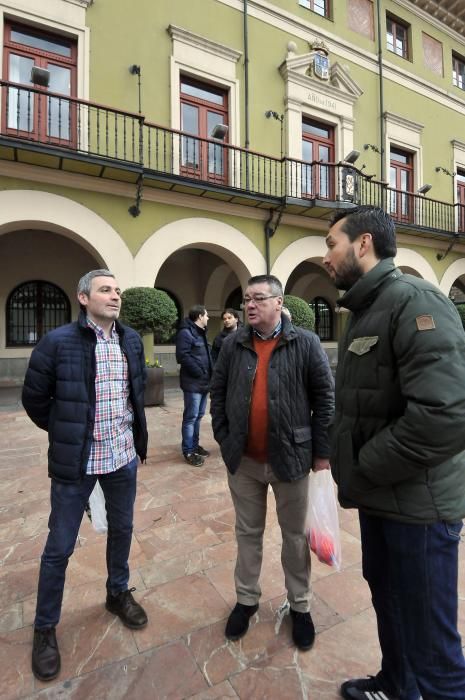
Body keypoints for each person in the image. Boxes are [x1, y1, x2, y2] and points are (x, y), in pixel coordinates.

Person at [323, 205, 465, 700]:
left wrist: (362, 466)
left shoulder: (414, 300)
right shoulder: (366, 308)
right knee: (392, 606)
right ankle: (395, 685)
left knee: (432, 641)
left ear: (364, 244)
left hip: (419, 510)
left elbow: (444, 416)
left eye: (331, 244)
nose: (326, 257)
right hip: (383, 498)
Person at [22, 269, 149, 683]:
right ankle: (44, 629)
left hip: (122, 458)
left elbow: (136, 390)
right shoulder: (57, 343)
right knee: (59, 547)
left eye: (118, 291)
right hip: (76, 463)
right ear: (83, 297)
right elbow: (35, 399)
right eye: (105, 290)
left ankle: (117, 593)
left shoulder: (129, 339)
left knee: (123, 529)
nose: (115, 296)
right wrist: (66, 430)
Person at [210, 275, 334, 650]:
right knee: (247, 534)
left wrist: (322, 456)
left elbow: (325, 399)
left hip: (291, 459)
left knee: (295, 538)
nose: (250, 305)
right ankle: (246, 600)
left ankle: (300, 606)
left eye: (259, 298)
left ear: (280, 303)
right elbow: (217, 391)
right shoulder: (233, 344)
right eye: (247, 298)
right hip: (244, 461)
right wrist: (224, 435)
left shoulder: (306, 343)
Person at [176, 304, 212, 467]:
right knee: (190, 417)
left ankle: (195, 445)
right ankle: (188, 451)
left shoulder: (200, 332)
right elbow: (182, 356)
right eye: (206, 315)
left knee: (198, 416)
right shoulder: (186, 333)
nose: (208, 318)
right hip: (193, 383)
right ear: (199, 316)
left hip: (204, 383)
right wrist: (200, 372)